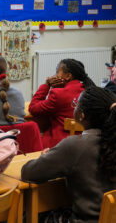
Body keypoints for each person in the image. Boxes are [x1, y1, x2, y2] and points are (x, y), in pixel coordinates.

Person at [22, 86, 116, 223]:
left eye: (76, 104)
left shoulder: (75, 146)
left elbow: (28, 173)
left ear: (82, 114)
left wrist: (45, 157)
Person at [29, 58, 95, 148]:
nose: (54, 76)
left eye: (57, 72)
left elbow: (33, 108)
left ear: (68, 76)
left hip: (60, 146)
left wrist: (46, 85)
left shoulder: (58, 94)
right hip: (85, 144)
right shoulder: (90, 91)